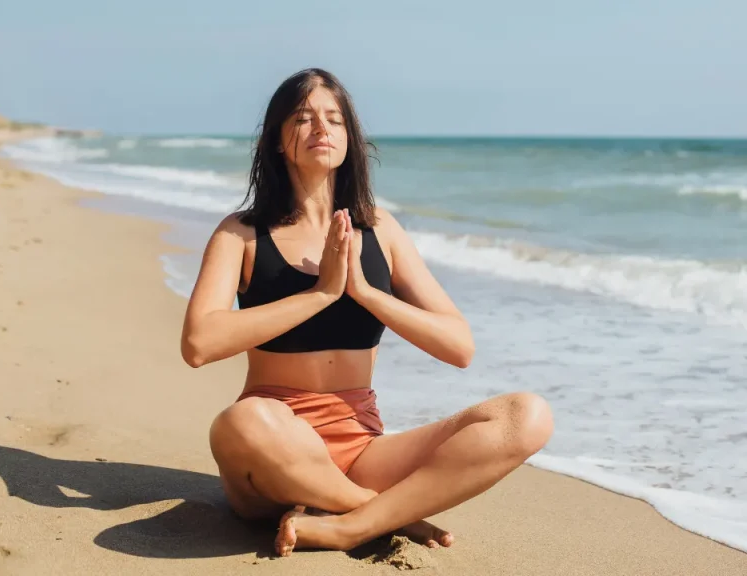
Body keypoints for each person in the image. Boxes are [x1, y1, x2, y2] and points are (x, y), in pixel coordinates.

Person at [179, 67, 554, 556]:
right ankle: (383, 513)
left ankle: (346, 525)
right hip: (274, 449)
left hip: (361, 448)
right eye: (303, 118)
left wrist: (366, 292)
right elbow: (199, 344)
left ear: (349, 139)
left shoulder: (381, 231)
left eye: (334, 120)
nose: (321, 129)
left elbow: (459, 346)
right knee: (240, 422)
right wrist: (319, 294)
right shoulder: (242, 233)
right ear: (275, 140)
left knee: (526, 416)